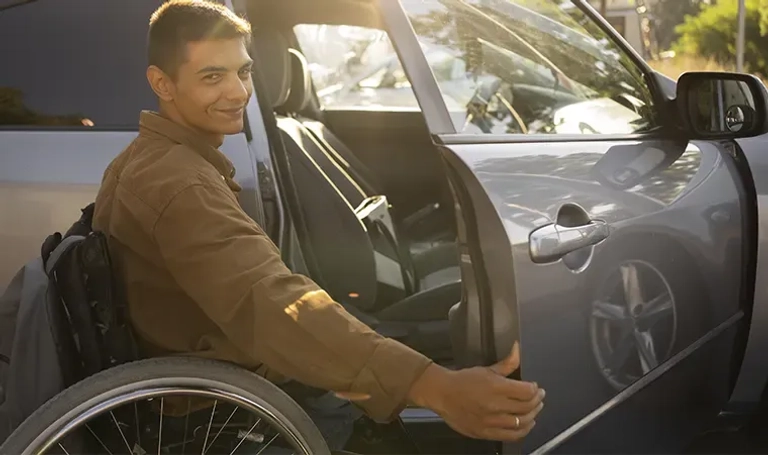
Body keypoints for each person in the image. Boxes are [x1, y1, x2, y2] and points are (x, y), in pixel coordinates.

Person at [92, 0, 545, 450]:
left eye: (244, 72)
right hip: (219, 408)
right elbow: (270, 303)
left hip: (223, 382)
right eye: (213, 77)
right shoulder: (179, 184)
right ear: (162, 83)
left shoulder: (153, 160)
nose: (239, 93)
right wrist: (434, 386)